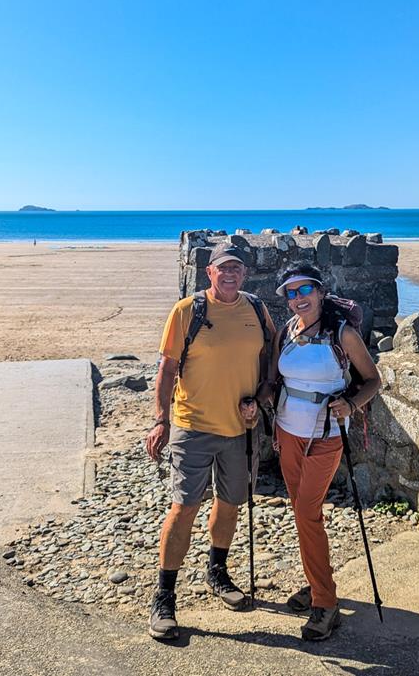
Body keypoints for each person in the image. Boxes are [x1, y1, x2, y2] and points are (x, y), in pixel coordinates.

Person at [144, 244, 275, 641]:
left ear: (245, 273)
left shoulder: (256, 309)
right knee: (184, 507)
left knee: (231, 503)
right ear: (210, 273)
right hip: (193, 426)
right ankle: (164, 595)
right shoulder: (188, 311)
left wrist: (264, 395)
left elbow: (270, 354)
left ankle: (217, 570)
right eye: (223, 269)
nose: (230, 274)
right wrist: (161, 420)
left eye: (237, 268)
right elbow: (167, 368)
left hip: (240, 428)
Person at [266, 264, 380, 641]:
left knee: (307, 513)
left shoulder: (342, 334)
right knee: (303, 515)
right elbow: (273, 381)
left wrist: (351, 403)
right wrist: (259, 401)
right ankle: (317, 584)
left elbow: (372, 380)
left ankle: (326, 603)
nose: (298, 299)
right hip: (287, 432)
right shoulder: (287, 332)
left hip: (325, 436)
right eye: (291, 293)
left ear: (319, 291)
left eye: (304, 291)